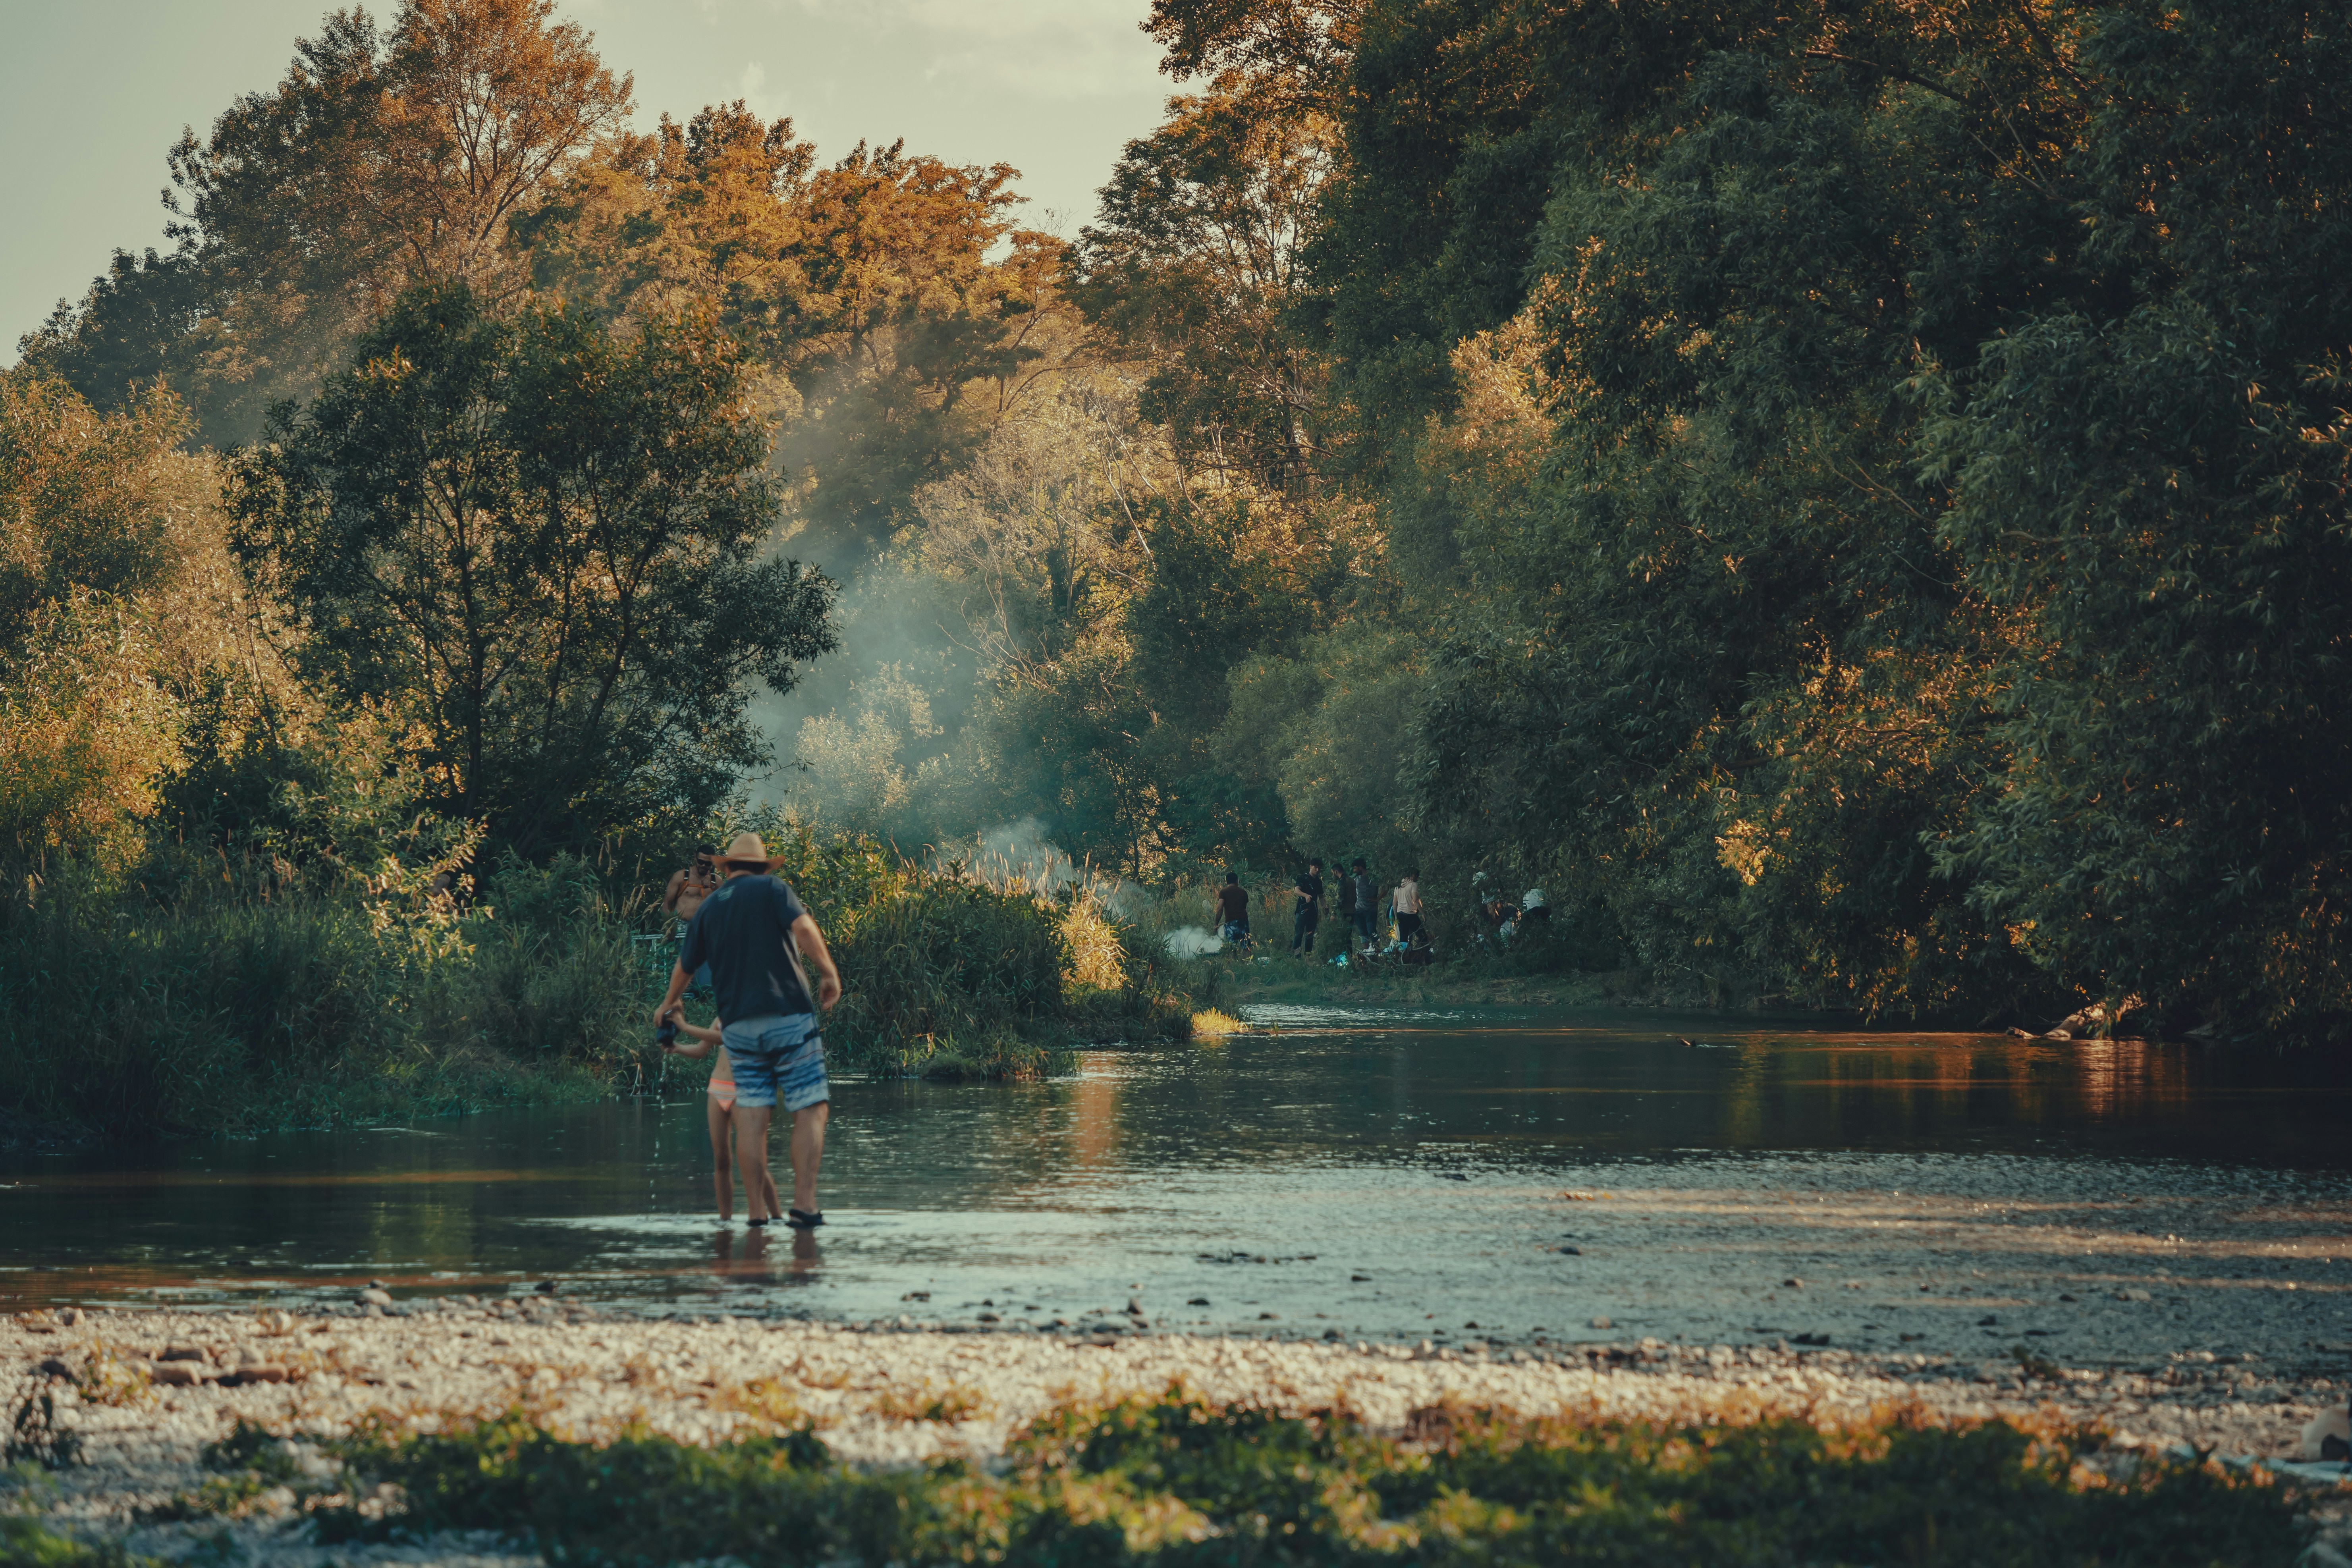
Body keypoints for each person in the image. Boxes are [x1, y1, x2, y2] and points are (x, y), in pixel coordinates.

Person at [656, 832, 842, 1229]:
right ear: (761, 866)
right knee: (809, 1107)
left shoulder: (710, 908)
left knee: (752, 1120)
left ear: (725, 867)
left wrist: (669, 1002)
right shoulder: (774, 889)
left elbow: (684, 967)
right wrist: (828, 973)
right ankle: (804, 1206)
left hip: (738, 1025)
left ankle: (757, 1216)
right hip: (788, 1014)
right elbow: (805, 929)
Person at [660, 1006, 780, 1225]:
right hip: (717, 1090)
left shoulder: (758, 1016)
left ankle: (778, 1217)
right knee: (721, 1159)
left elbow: (726, 1038)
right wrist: (677, 1048)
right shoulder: (723, 1015)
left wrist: (685, 1026)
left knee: (754, 1160)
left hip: (744, 1091)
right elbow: (701, 1050)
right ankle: (725, 1220)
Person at [664, 847, 720, 993]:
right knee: (683, 963)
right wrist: (670, 928)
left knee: (705, 964)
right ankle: (679, 994)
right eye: (700, 861)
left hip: (705, 929)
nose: (703, 865)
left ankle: (703, 993)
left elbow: (726, 907)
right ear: (695, 857)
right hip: (681, 927)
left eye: (708, 863)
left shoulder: (716, 881)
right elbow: (666, 905)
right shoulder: (682, 877)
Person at [1290, 858, 1325, 956]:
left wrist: (1325, 907)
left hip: (1313, 911)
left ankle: (1308, 957)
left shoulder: (1319, 882)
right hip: (1302, 910)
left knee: (1310, 935)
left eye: (1319, 868)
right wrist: (1305, 895)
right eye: (1316, 868)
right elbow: (1296, 891)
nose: (1317, 870)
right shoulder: (1303, 878)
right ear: (1311, 867)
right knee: (1299, 934)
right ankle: (1297, 956)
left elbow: (1321, 897)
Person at [1214, 872, 1252, 951]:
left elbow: (1220, 909)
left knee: (1232, 948)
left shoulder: (1224, 892)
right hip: (1244, 922)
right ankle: (1248, 962)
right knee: (1246, 947)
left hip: (1231, 923)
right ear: (1237, 881)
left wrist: (1216, 924)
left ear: (1227, 882)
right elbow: (1244, 906)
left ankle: (1233, 961)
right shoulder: (1243, 892)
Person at [1394, 868, 1425, 948]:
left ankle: (1404, 956)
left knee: (1403, 939)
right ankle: (1425, 954)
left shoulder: (1398, 885)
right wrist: (1423, 913)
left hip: (1400, 914)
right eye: (1417, 877)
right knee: (1422, 936)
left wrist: (1396, 916)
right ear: (1414, 876)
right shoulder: (1413, 885)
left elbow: (1395, 903)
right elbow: (1416, 900)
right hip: (1411, 914)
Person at [1350, 859, 1377, 951]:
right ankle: (1366, 955)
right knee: (1363, 934)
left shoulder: (1372, 877)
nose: (1354, 871)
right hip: (1358, 911)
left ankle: (1376, 952)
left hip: (1370, 910)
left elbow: (1386, 887)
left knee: (1372, 932)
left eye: (1355, 868)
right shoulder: (1356, 879)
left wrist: (1377, 899)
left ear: (1360, 868)